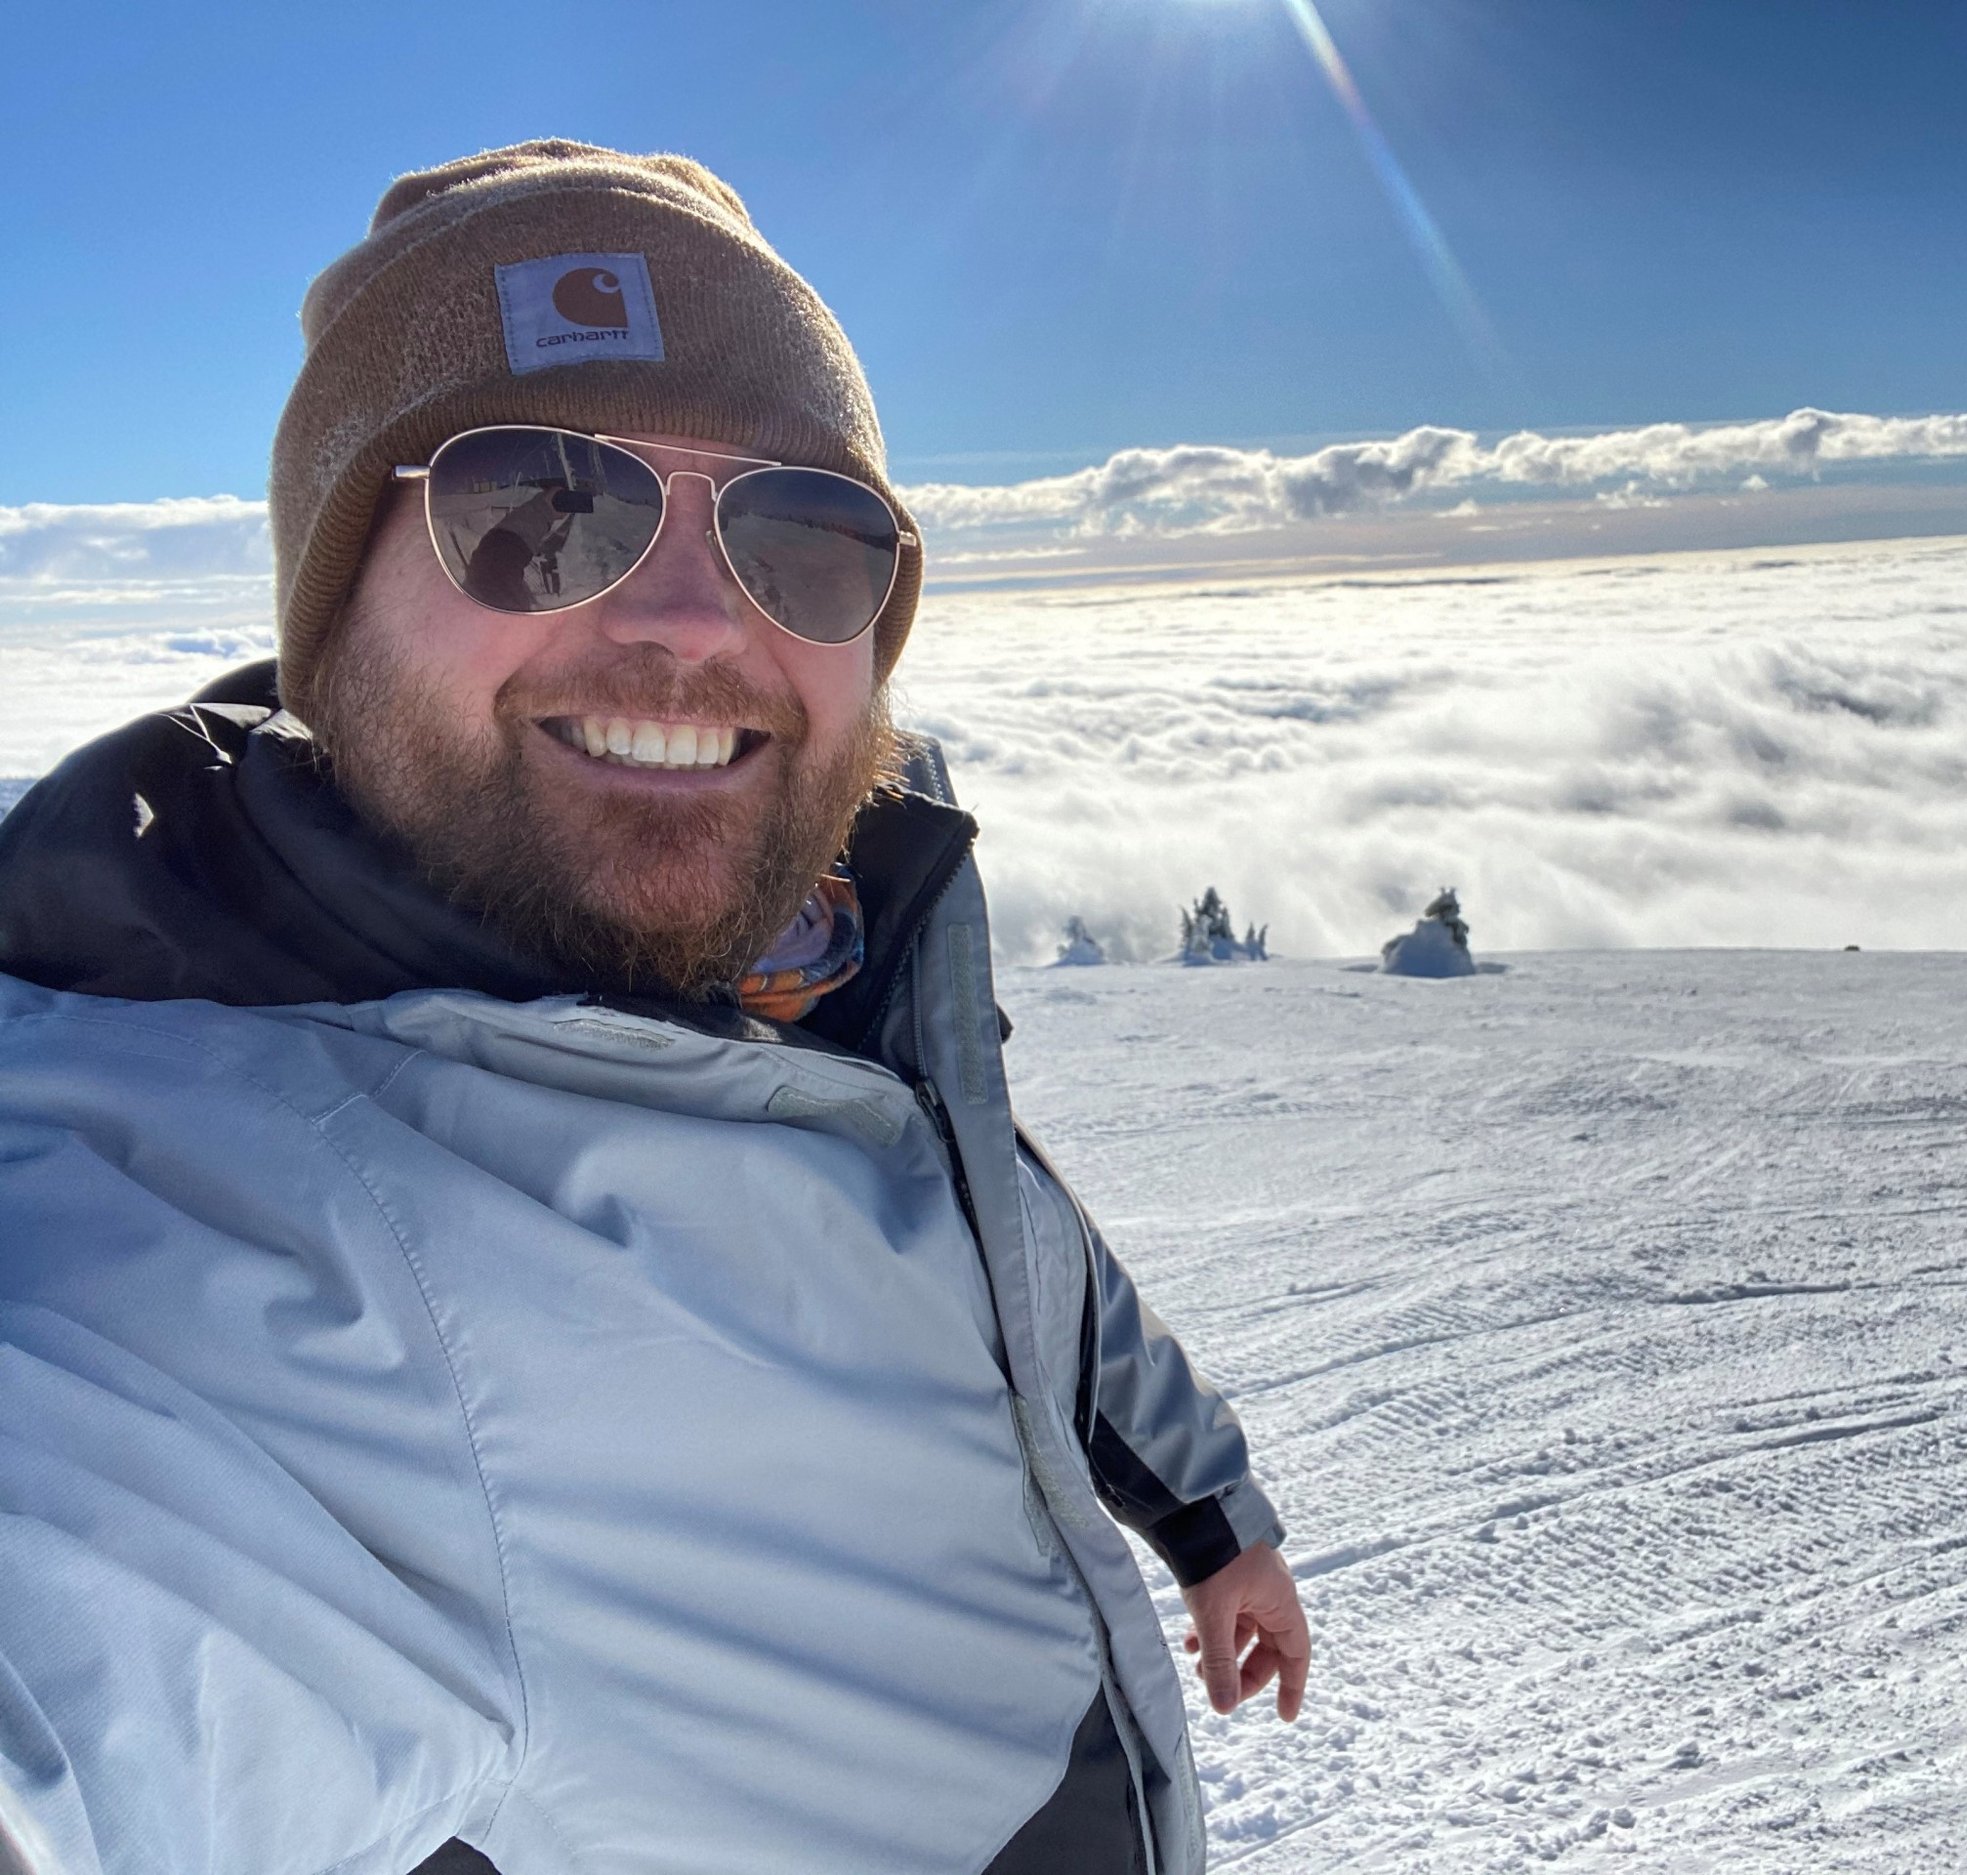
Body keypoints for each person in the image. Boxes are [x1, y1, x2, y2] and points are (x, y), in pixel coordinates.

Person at [0, 141, 1307, 1875]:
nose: (694, 622)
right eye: (536, 508)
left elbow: (1020, 1254)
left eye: (805, 535)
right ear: (330, 619)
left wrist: (1211, 1518)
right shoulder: (220, 1225)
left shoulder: (829, 962)